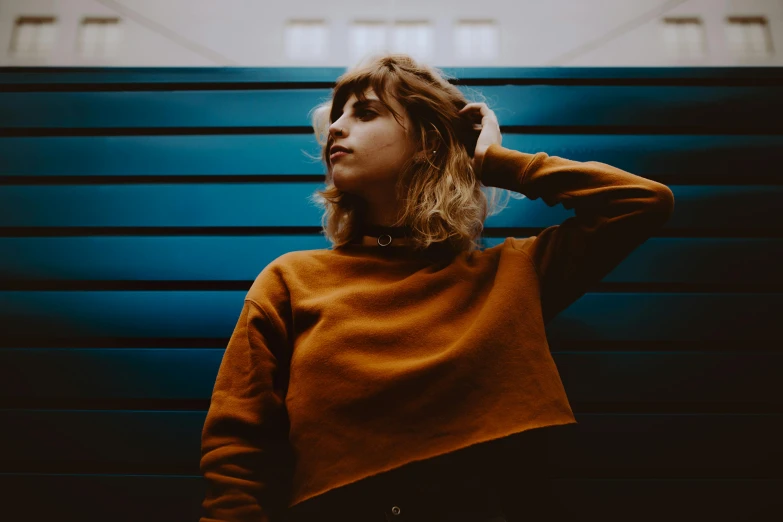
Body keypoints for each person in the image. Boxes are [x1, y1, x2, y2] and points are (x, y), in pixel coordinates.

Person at [199, 53, 675, 522]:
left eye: (365, 112)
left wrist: (493, 161)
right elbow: (236, 443)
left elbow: (642, 202)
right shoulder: (291, 279)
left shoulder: (514, 273)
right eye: (338, 116)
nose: (338, 128)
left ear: (428, 142)